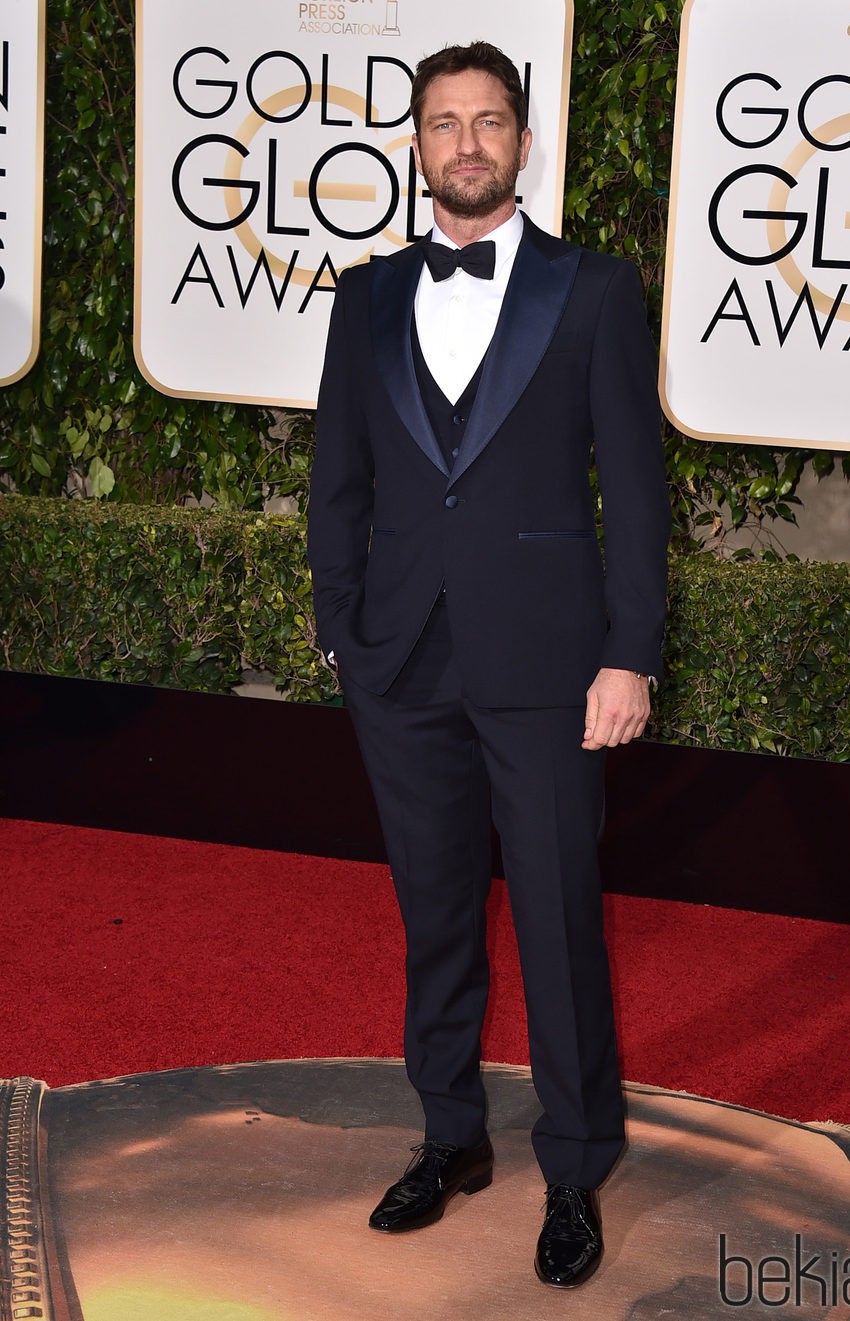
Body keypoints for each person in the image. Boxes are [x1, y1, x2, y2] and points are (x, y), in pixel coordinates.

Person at [307, 40, 670, 1289]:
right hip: (400, 662)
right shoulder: (362, 299)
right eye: (442, 122)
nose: (465, 141)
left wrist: (629, 656)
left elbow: (634, 488)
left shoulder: (593, 291)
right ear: (415, 145)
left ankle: (572, 1165)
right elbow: (336, 483)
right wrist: (339, 627)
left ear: (522, 143)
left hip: (552, 666)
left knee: (562, 918)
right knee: (433, 915)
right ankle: (449, 1136)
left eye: (488, 121)